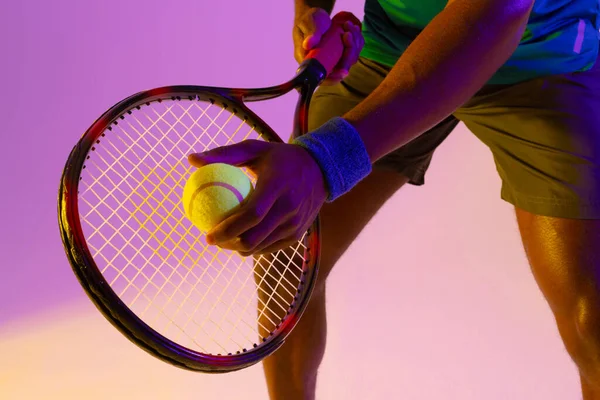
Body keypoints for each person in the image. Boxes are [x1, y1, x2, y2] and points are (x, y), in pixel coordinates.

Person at [189, 0, 600, 398]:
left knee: (592, 321)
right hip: (392, 48)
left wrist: (324, 162)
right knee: (288, 252)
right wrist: (310, 11)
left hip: (540, 57)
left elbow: (497, 12)